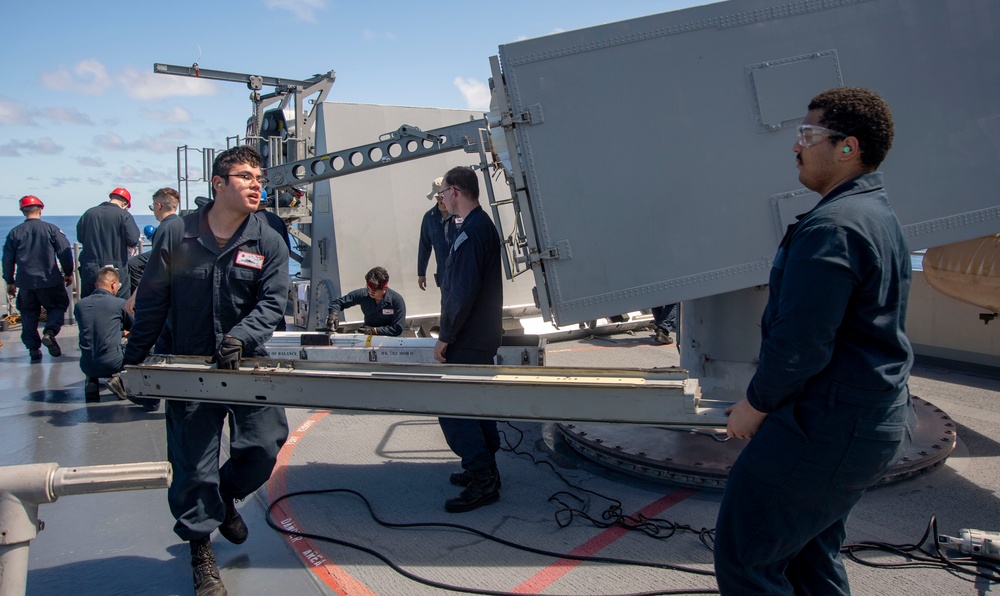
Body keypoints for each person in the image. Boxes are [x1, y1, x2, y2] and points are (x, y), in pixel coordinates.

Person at [713, 87, 916, 595]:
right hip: (865, 424)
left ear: (846, 147)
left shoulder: (834, 228)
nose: (796, 146)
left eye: (807, 134)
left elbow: (801, 345)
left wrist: (753, 407)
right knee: (808, 558)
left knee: (747, 559)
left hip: (824, 427)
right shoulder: (875, 213)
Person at [122, 146, 290, 596]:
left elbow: (274, 301)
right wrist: (133, 362)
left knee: (264, 446)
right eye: (246, 176)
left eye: (261, 177)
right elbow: (155, 299)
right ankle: (201, 550)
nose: (258, 184)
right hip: (189, 363)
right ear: (218, 183)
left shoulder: (268, 237)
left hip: (246, 362)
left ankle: (226, 496)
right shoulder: (177, 234)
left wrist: (242, 335)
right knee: (193, 464)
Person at [433, 166, 504, 513]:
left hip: (469, 338)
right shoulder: (478, 226)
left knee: (455, 407)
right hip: (481, 335)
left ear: (456, 191)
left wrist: (445, 336)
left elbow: (461, 293)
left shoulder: (472, 232)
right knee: (476, 403)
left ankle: (483, 478)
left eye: (444, 191)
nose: (442, 197)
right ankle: (484, 468)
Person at [2, 195, 74, 361]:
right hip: (50, 280)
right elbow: (64, 251)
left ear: (22, 211)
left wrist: (10, 282)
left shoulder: (15, 233)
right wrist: (68, 273)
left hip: (26, 283)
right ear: (41, 209)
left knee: (28, 314)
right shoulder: (51, 229)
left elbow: (7, 259)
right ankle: (49, 332)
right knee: (58, 306)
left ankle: (33, 349)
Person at [75, 266, 132, 401]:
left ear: (96, 284)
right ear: (113, 284)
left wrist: (118, 332)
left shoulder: (80, 305)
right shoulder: (120, 303)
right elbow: (135, 327)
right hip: (112, 364)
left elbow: (95, 329)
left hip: (86, 365)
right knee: (138, 350)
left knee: (93, 347)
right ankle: (118, 380)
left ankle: (91, 382)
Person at [77, 187, 140, 299]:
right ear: (125, 204)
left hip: (90, 267)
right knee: (120, 305)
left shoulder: (89, 213)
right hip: (115, 268)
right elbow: (133, 240)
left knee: (89, 303)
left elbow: (80, 238)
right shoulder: (124, 215)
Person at [125, 188, 180, 314]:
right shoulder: (183, 225)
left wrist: (135, 296)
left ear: (159, 206)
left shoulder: (162, 230)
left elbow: (154, 267)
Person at [324, 266, 405, 336]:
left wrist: (374, 330)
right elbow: (338, 303)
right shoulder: (363, 294)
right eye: (368, 289)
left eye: (373, 291)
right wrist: (333, 314)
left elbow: (397, 328)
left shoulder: (396, 301)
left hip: (391, 339)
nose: (370, 293)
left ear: (384, 288)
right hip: (367, 336)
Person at [417, 176, 457, 291]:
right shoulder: (429, 217)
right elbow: (424, 246)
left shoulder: (460, 212)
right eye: (437, 197)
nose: (440, 200)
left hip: (464, 271)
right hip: (444, 274)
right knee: (448, 306)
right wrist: (421, 273)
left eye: (442, 196)